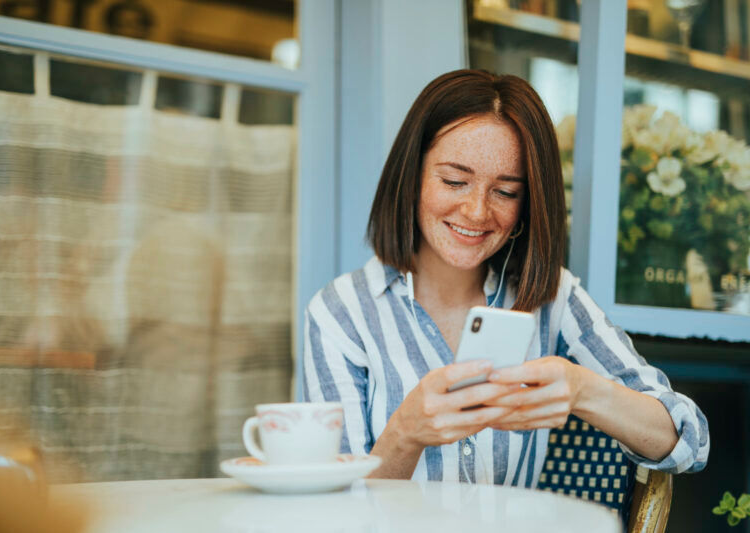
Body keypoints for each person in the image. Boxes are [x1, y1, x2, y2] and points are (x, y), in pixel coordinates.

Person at [303, 69, 709, 486]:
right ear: (412, 177)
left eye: (506, 192)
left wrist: (582, 390)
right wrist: (405, 433)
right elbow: (338, 506)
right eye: (454, 180)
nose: (477, 212)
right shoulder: (341, 313)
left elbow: (689, 442)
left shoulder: (554, 297)